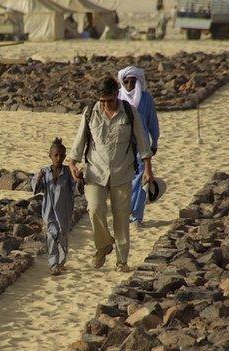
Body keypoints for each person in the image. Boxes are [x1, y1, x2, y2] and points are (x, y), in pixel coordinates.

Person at [68, 77, 154, 272]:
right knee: (95, 209)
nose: (106, 104)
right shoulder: (91, 112)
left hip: (122, 171)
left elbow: (142, 141)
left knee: (121, 217)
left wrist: (148, 168)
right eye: (102, 100)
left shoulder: (129, 112)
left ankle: (121, 260)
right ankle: (104, 245)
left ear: (117, 94)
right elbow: (80, 139)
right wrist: (72, 163)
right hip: (95, 171)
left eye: (110, 100)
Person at [118, 67, 160, 228]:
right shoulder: (117, 98)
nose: (129, 84)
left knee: (141, 179)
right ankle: (125, 212)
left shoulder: (146, 98)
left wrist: (154, 142)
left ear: (139, 81)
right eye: (126, 81)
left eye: (133, 81)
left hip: (141, 145)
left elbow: (152, 121)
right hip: (122, 145)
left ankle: (136, 216)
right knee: (124, 180)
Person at [33, 138, 75, 276]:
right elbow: (35, 188)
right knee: (51, 235)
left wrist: (80, 179)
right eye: (55, 155)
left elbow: (77, 188)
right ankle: (53, 264)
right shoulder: (44, 172)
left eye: (62, 155)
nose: (59, 158)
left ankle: (61, 262)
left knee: (62, 235)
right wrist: (38, 179)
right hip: (49, 210)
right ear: (50, 155)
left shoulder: (68, 172)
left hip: (64, 209)